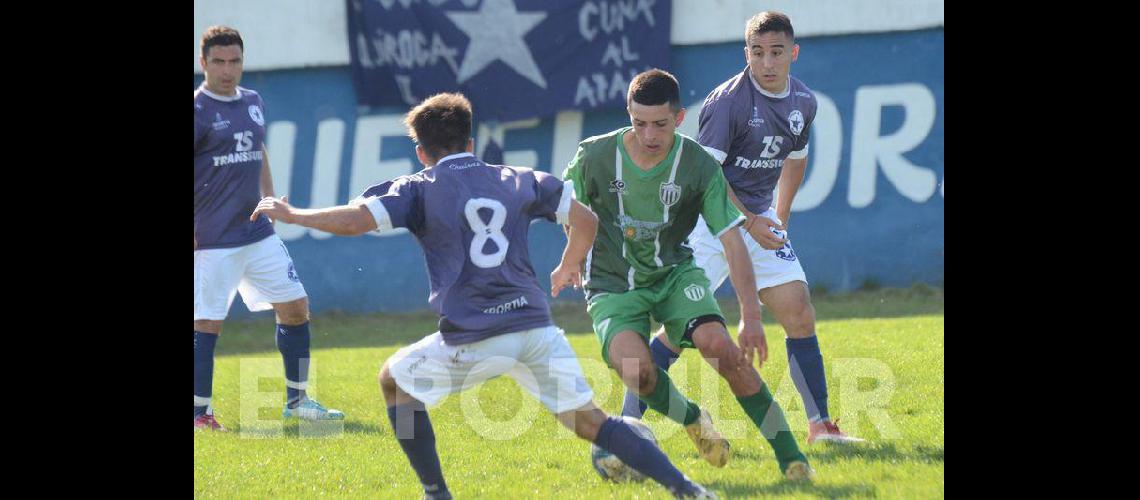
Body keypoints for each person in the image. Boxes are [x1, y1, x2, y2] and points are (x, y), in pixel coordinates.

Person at [251, 93, 716, 499]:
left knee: (394, 381)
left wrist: (293, 213)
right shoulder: (519, 177)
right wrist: (570, 262)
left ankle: (436, 492)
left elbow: (354, 220)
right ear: (471, 143)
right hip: (535, 328)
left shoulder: (418, 187)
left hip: (473, 335)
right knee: (592, 423)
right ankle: (689, 490)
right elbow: (587, 221)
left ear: (421, 151)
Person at [620, 12, 863, 445]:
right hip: (703, 221)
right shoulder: (727, 102)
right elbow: (708, 180)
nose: (767, 63)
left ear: (793, 52)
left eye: (776, 52)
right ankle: (629, 423)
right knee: (681, 329)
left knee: (799, 309)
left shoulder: (803, 102)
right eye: (757, 53)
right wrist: (751, 223)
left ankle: (820, 427)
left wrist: (778, 220)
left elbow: (795, 160)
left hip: (755, 218)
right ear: (745, 54)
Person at [563, 69, 813, 480]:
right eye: (639, 122)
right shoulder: (593, 156)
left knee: (723, 350)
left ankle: (791, 459)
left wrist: (750, 315)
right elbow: (567, 209)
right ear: (628, 113)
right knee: (637, 371)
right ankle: (694, 419)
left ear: (678, 118)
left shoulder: (697, 164)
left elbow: (733, 241)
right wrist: (571, 256)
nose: (648, 134)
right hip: (612, 284)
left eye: (660, 124)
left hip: (676, 276)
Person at [194, 26, 343, 431]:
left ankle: (297, 401)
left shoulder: (254, 102)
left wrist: (271, 196)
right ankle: (198, 415)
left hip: (257, 233)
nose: (228, 70)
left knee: (295, 305)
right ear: (202, 63)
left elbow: (258, 148)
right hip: (211, 239)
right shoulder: (198, 110)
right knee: (207, 323)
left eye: (235, 61)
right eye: (219, 62)